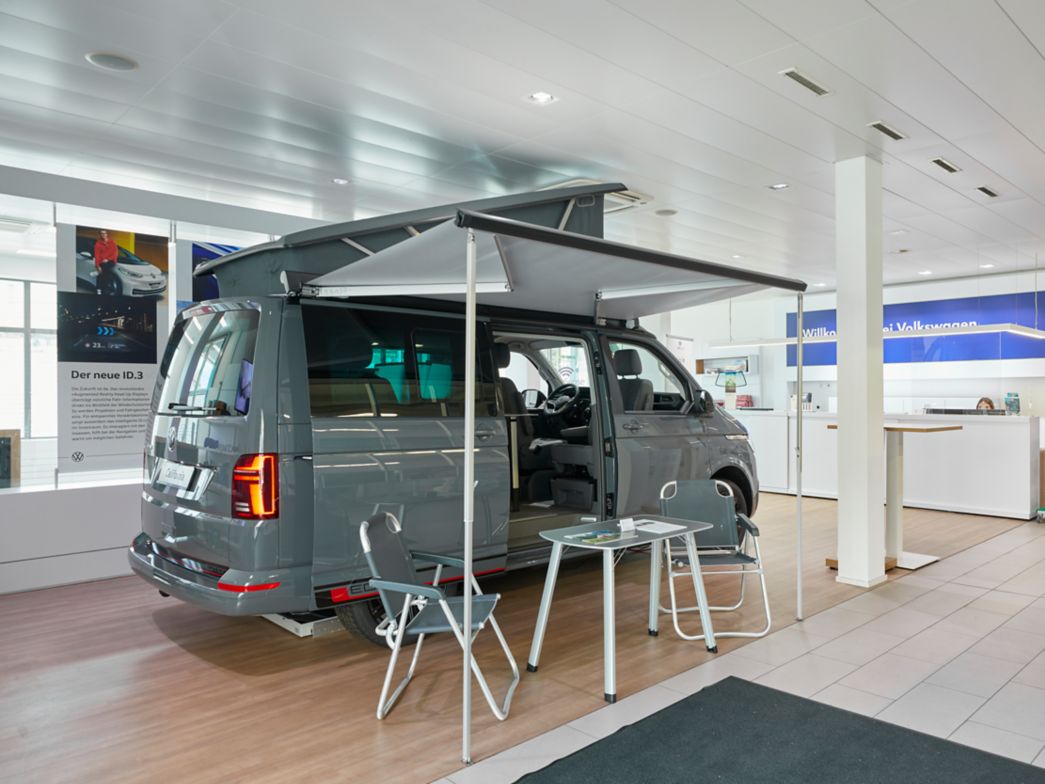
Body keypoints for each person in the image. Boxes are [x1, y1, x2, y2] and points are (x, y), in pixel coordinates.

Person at [93, 229, 119, 295]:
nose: (103, 235)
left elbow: (115, 254)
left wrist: (108, 259)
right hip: (102, 262)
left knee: (103, 271)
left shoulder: (112, 242)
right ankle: (104, 289)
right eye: (102, 233)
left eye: (104, 233)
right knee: (104, 272)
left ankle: (100, 289)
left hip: (111, 261)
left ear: (107, 234)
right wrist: (97, 265)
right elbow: (97, 255)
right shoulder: (98, 244)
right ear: (100, 235)